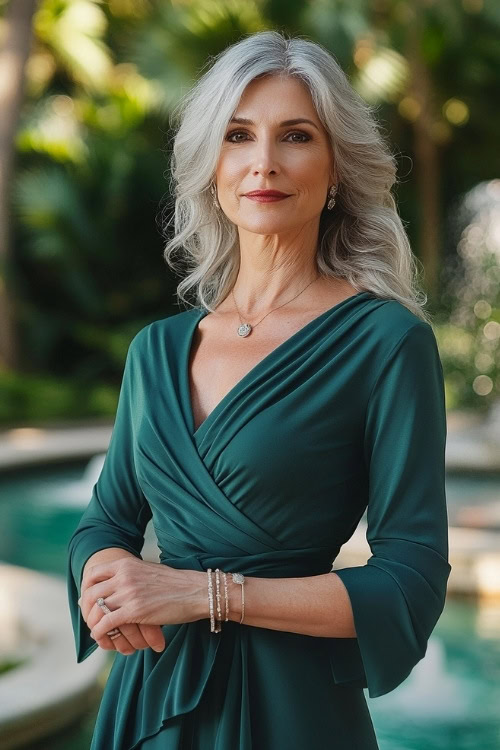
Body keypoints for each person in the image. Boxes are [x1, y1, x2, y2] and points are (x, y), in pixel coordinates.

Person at [66, 30, 451, 750]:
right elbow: (103, 524)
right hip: (150, 703)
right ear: (212, 164)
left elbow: (411, 582)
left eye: (296, 135)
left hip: (293, 712)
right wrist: (107, 571)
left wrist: (200, 593)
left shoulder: (386, 342)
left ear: (336, 167)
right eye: (239, 135)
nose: (264, 162)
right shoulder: (156, 351)